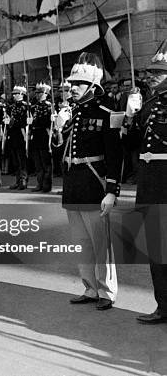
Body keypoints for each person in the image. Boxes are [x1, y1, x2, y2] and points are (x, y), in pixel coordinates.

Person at [55, 52, 122, 310]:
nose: (72, 88)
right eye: (71, 84)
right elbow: (58, 153)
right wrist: (59, 128)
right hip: (74, 185)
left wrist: (112, 191)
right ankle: (90, 288)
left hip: (95, 184)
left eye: (78, 85)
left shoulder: (107, 114)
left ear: (92, 87)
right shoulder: (71, 114)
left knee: (100, 243)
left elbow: (116, 156)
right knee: (81, 242)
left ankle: (107, 292)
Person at [124, 40, 167, 324]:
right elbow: (134, 145)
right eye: (150, 71)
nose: (150, 75)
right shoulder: (149, 102)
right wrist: (130, 117)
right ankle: (163, 305)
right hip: (150, 183)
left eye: (158, 71)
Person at [29, 81, 54, 193]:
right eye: (37, 92)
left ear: (46, 94)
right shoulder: (34, 106)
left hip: (45, 135)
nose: (38, 94)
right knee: (37, 162)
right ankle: (39, 183)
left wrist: (52, 118)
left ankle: (46, 185)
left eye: (41, 93)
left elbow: (50, 124)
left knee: (46, 162)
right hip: (36, 135)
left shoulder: (50, 106)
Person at [6, 83, 30, 190]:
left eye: (16, 94)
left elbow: (24, 122)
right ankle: (18, 180)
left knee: (21, 159)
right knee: (15, 160)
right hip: (13, 135)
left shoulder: (26, 106)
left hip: (21, 134)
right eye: (14, 94)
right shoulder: (11, 107)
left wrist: (11, 122)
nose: (14, 95)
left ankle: (23, 180)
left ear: (22, 94)